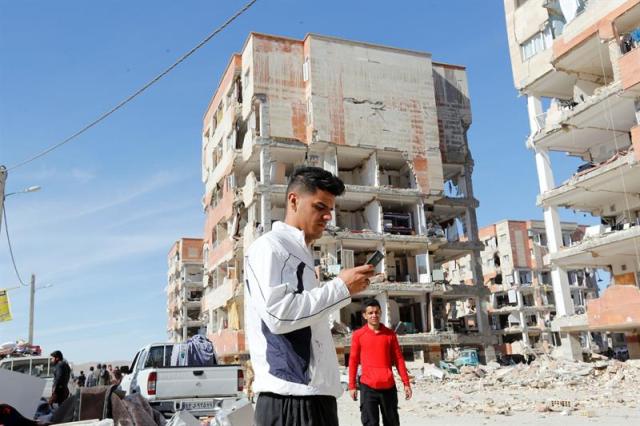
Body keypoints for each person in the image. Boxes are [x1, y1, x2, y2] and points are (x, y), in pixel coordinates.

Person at [245, 166, 375, 426]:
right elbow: (277, 314)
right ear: (293, 200)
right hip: (289, 401)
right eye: (319, 207)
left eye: (330, 210)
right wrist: (340, 288)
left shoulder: (302, 252)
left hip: (316, 397)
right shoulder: (269, 247)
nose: (328, 217)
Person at [349, 299, 412, 426]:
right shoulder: (358, 335)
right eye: (370, 313)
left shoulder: (390, 335)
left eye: (376, 312)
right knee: (370, 423)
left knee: (392, 422)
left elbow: (399, 359)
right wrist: (352, 385)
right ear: (364, 315)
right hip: (367, 387)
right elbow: (353, 361)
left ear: (381, 312)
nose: (374, 315)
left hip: (388, 387)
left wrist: (406, 383)